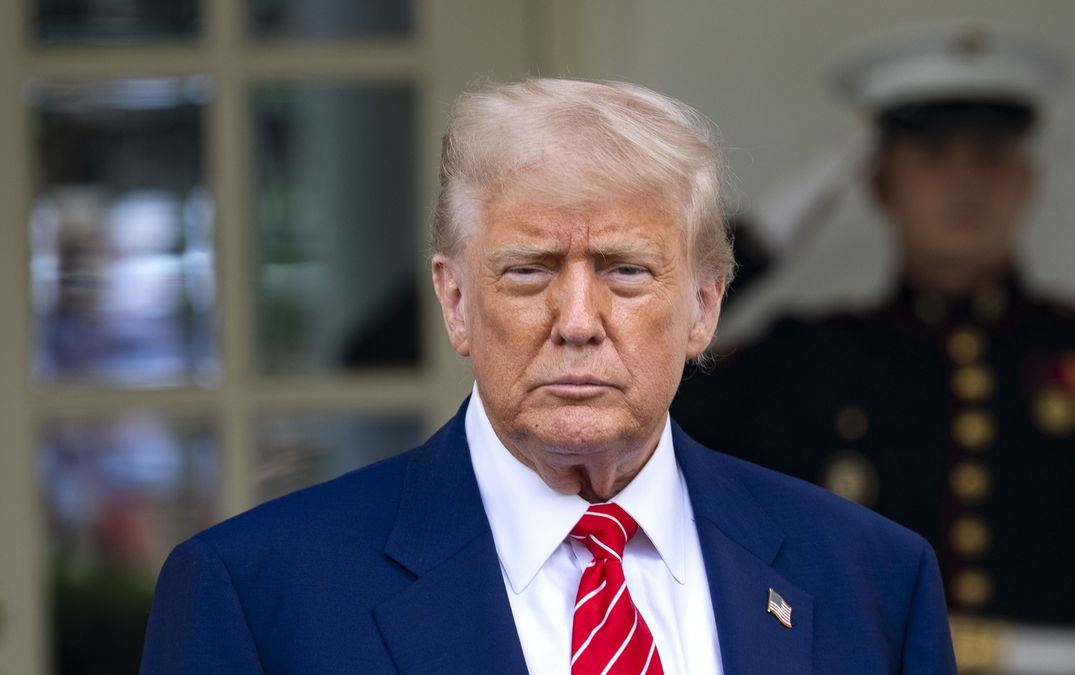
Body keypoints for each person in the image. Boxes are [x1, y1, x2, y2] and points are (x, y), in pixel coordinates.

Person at [139, 78, 956, 674]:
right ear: (455, 302)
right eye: (528, 271)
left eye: (626, 271)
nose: (576, 320)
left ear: (704, 306)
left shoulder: (870, 579)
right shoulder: (256, 595)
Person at [672, 23, 1075, 675]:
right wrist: (764, 238)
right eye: (932, 155)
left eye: (989, 154)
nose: (963, 181)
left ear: (1026, 179)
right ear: (880, 183)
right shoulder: (805, 361)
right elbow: (652, 385)